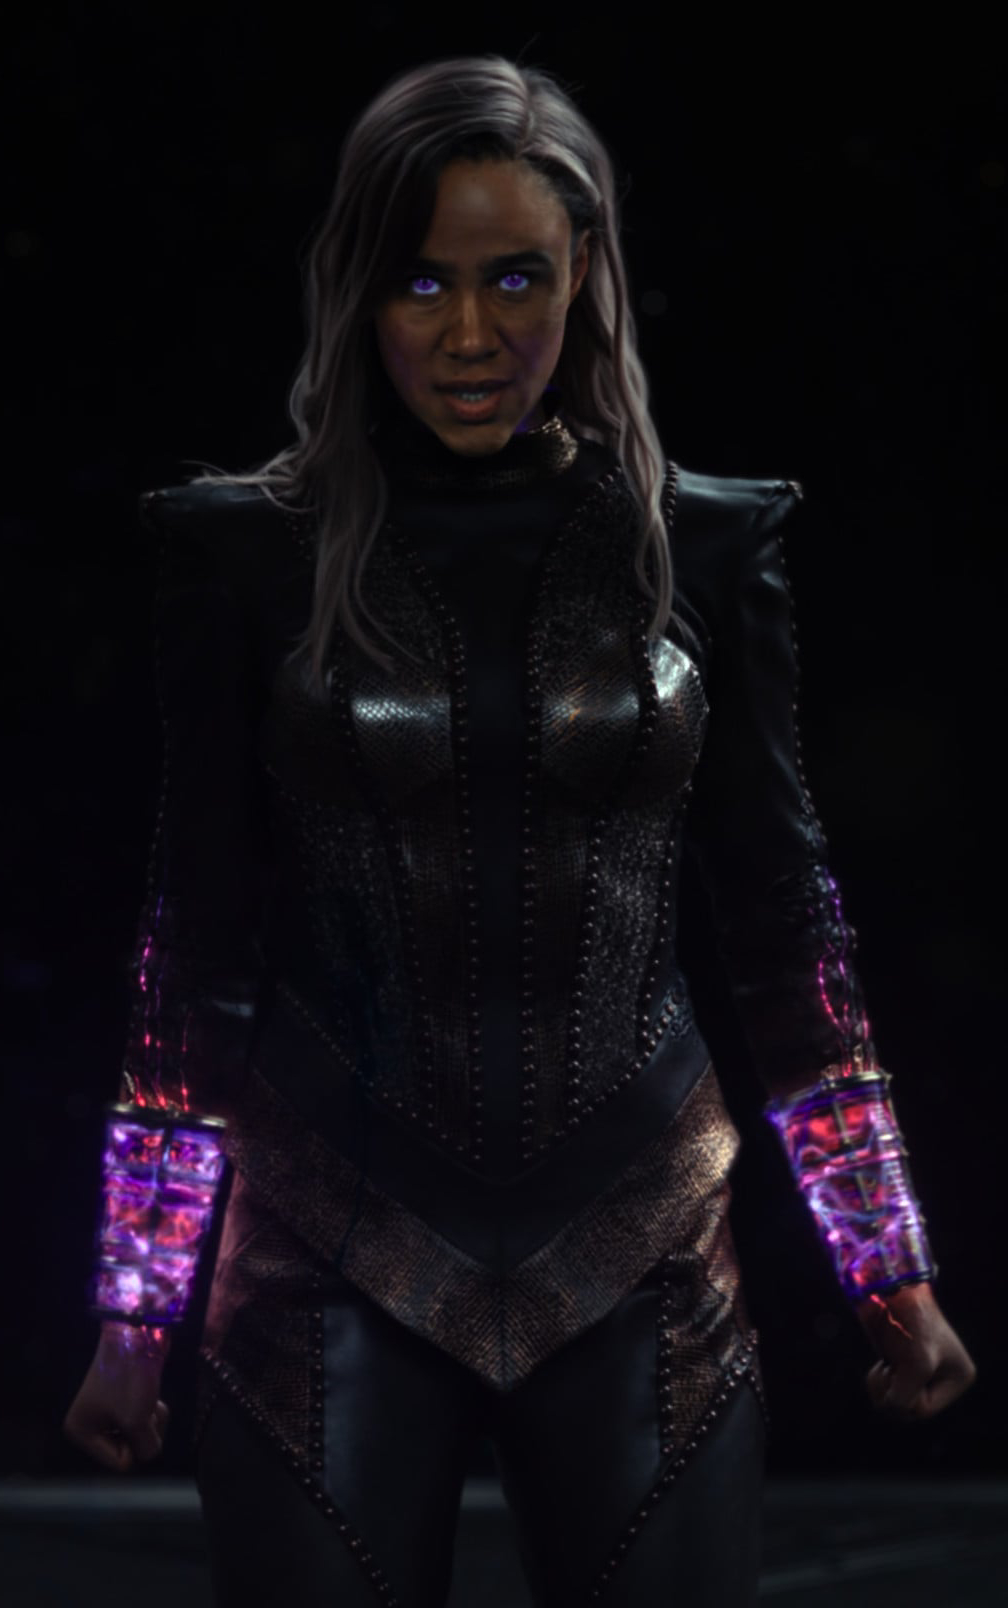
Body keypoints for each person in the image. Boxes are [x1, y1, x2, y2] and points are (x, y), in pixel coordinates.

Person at [64, 53, 976, 1608]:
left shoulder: (707, 544)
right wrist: (135, 1313)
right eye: (422, 282)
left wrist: (889, 1271)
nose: (471, 336)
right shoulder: (240, 557)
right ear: (358, 288)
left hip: (643, 1239)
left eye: (515, 279)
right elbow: (196, 948)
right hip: (323, 1242)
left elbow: (785, 931)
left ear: (587, 273)